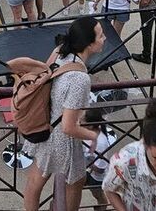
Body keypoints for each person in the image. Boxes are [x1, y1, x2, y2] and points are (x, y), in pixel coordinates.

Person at [21, 16, 105, 211]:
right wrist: (93, 135)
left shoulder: (59, 51)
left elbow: (44, 75)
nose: (104, 38)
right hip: (61, 139)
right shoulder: (80, 79)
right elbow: (69, 126)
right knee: (75, 182)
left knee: (35, 181)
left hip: (45, 123)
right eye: (100, 36)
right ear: (89, 44)